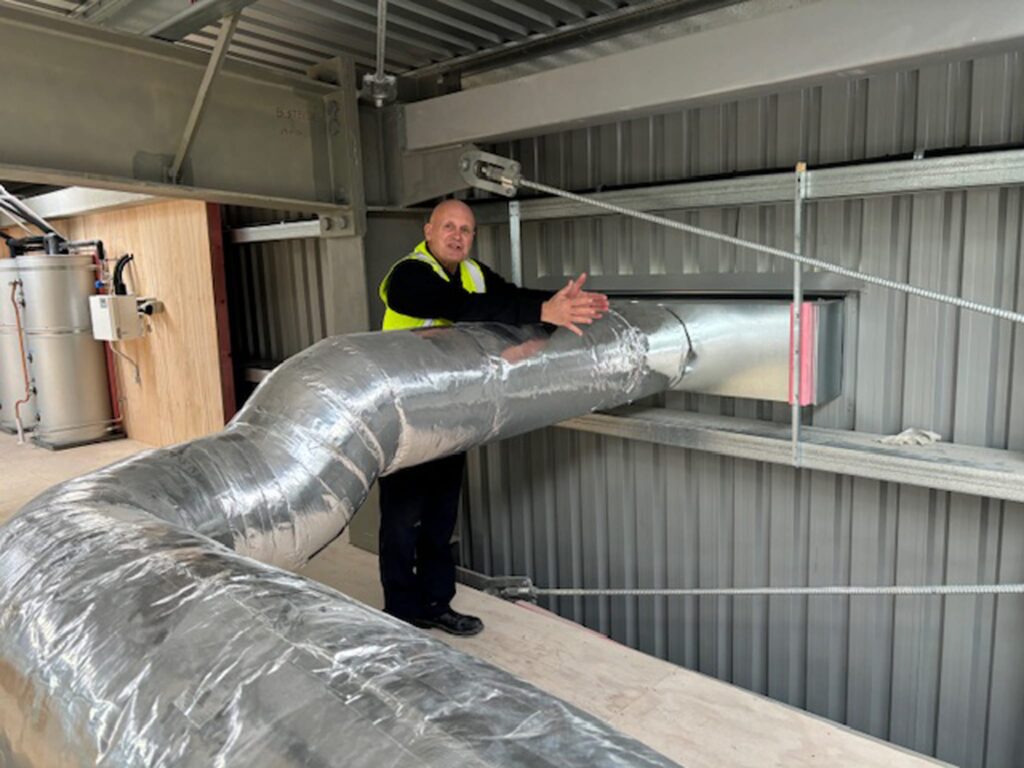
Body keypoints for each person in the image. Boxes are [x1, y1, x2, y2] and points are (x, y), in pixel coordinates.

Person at [377, 199, 609, 636]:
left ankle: (435, 604)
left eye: (466, 229)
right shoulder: (407, 276)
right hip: (406, 417)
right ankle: (401, 617)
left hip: (453, 412)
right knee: (403, 521)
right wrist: (541, 312)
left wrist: (557, 304)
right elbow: (457, 305)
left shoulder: (474, 273)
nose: (457, 235)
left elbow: (507, 298)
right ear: (428, 231)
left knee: (441, 519)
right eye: (448, 226)